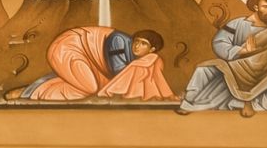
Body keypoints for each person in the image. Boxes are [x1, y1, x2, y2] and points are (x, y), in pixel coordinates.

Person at [177, 0, 267, 116]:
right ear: (256, 7)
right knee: (204, 70)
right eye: (266, 7)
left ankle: (248, 102)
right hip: (237, 71)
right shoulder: (237, 24)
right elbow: (219, 43)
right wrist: (241, 51)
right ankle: (189, 104)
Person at [21, 27, 172, 102]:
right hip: (67, 47)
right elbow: (119, 74)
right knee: (90, 87)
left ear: (152, 50)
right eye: (136, 41)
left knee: (93, 85)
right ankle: (33, 93)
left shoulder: (144, 58)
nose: (136, 46)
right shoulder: (119, 41)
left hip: (88, 60)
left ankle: (36, 87)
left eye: (143, 44)